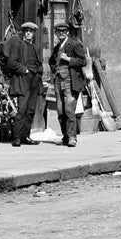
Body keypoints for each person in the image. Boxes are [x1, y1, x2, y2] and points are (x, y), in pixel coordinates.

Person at [1, 22, 42, 147]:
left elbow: (38, 63)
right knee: (22, 110)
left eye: (31, 31)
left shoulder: (34, 47)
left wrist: (39, 73)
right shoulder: (17, 45)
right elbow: (11, 63)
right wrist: (26, 70)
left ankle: (26, 136)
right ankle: (17, 137)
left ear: (34, 33)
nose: (28, 33)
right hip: (23, 81)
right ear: (23, 32)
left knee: (30, 110)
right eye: (26, 31)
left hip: (34, 82)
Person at [48, 18, 87, 147]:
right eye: (58, 32)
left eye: (63, 31)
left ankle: (72, 138)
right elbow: (52, 61)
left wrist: (68, 59)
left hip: (70, 82)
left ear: (67, 32)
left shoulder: (74, 44)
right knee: (60, 111)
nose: (60, 33)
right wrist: (54, 69)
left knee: (69, 110)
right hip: (59, 81)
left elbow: (83, 61)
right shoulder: (57, 47)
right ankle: (65, 136)